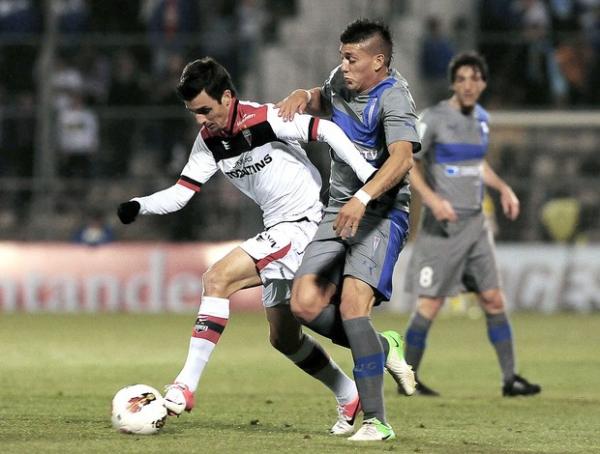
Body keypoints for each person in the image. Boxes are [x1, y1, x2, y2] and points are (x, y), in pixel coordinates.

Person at [116, 56, 383, 434]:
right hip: (277, 227)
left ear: (227, 97)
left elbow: (327, 132)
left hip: (302, 224)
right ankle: (351, 388)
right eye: (193, 112)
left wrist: (368, 178)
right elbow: (181, 194)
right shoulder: (209, 141)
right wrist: (139, 205)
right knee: (283, 338)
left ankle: (184, 386)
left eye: (205, 109)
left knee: (217, 278)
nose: (200, 119)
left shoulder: (265, 118)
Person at [276, 19, 419, 441]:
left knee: (355, 304)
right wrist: (304, 95)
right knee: (302, 304)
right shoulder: (340, 81)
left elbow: (401, 160)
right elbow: (323, 99)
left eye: (351, 58)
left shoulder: (395, 99)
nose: (343, 64)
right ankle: (384, 346)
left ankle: (377, 421)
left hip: (381, 213)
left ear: (378, 61)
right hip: (338, 208)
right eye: (342, 56)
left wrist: (363, 198)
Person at [401, 51, 542, 397]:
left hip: (476, 226)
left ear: (482, 83)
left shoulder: (481, 118)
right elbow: (407, 162)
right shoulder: (432, 119)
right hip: (442, 227)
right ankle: (408, 379)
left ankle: (510, 379)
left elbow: (476, 164)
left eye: (474, 79)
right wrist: (433, 201)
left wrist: (503, 187)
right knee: (430, 305)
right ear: (452, 82)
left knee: (493, 300)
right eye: (461, 79)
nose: (468, 85)